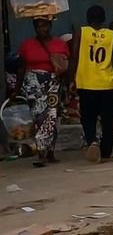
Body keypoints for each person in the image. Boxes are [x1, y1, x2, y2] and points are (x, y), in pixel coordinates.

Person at [15, 16, 71, 166]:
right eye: (39, 27)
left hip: (54, 82)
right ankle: (42, 153)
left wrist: (68, 85)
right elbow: (21, 68)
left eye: (45, 26)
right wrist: (16, 88)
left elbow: (66, 66)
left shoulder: (59, 43)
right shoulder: (27, 45)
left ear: (50, 26)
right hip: (33, 83)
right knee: (39, 117)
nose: (42, 29)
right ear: (35, 28)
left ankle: (50, 151)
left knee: (52, 117)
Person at [75, 5, 113, 163]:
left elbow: (74, 57)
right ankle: (106, 153)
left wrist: (70, 80)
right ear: (103, 19)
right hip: (108, 84)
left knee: (88, 117)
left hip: (86, 83)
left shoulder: (81, 32)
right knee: (108, 120)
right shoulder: (112, 35)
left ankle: (92, 141)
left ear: (88, 19)